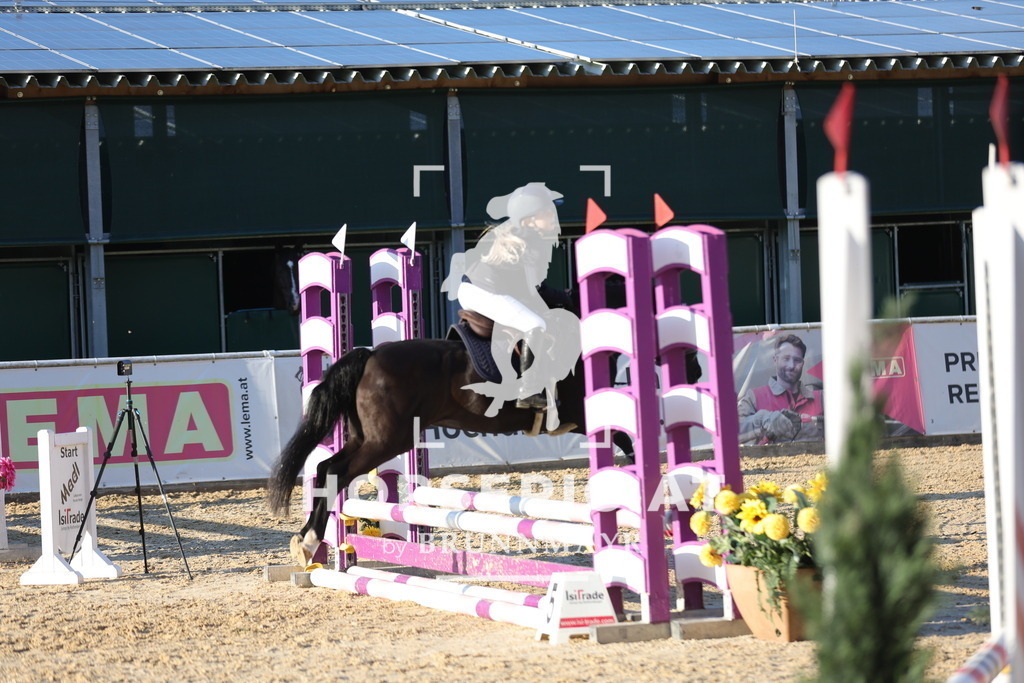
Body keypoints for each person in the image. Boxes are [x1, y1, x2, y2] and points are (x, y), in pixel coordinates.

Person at [441, 182, 578, 413]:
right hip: (486, 292)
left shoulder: (518, 233)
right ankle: (529, 391)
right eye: (547, 213)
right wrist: (567, 299)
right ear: (529, 220)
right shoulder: (530, 241)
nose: (554, 217)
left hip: (475, 289)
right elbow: (535, 290)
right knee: (536, 324)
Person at [737, 334, 823, 444]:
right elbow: (731, 432)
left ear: (802, 363)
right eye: (786, 358)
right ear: (775, 360)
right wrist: (764, 420)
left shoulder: (820, 398)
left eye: (797, 360)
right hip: (768, 456)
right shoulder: (754, 397)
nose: (791, 365)